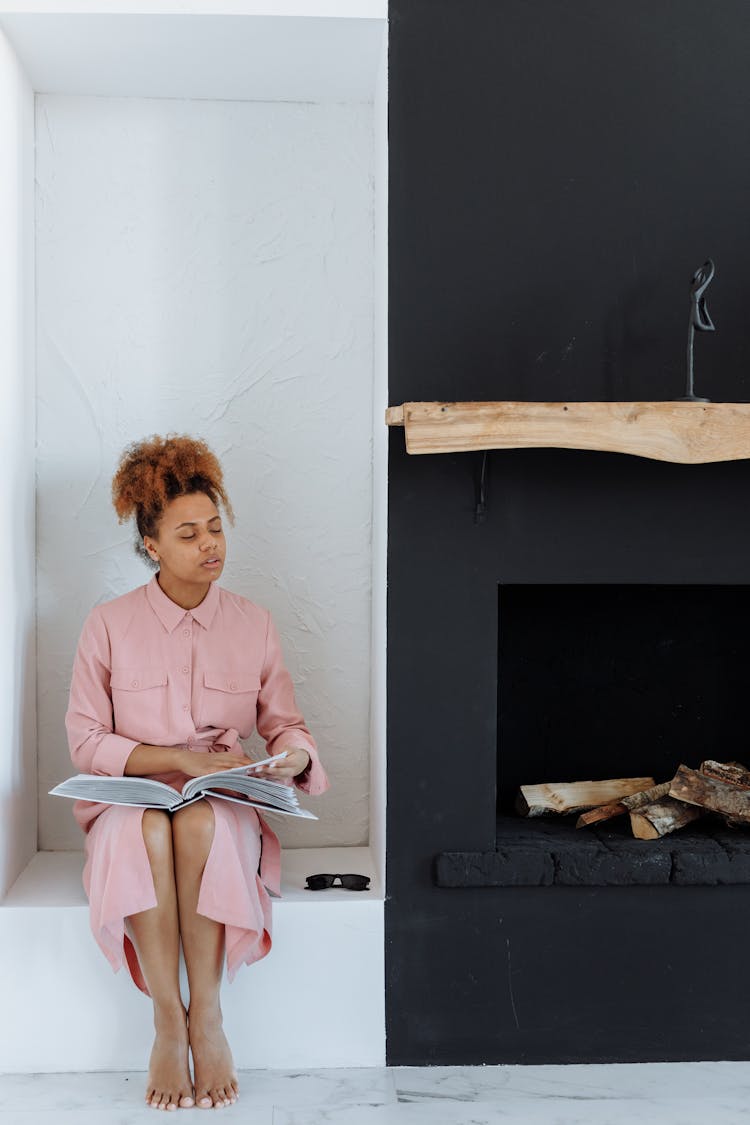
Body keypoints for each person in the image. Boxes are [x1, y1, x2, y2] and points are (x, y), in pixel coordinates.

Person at [64, 433, 330, 1111]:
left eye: (215, 527)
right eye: (188, 533)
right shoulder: (108, 624)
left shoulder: (254, 623)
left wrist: (294, 753)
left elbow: (285, 723)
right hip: (132, 799)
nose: (210, 544)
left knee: (202, 820)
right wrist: (178, 759)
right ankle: (165, 1018)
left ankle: (206, 1016)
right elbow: (87, 739)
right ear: (151, 543)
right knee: (148, 829)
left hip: (222, 799)